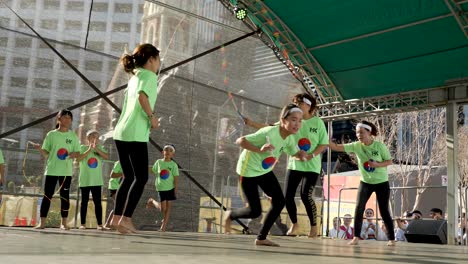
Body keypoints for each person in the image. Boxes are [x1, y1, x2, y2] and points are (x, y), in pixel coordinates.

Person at [245, 93, 328, 238]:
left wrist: (311, 155)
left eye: (299, 103)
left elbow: (324, 143)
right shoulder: (291, 119)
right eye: (295, 103)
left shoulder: (318, 122)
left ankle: (314, 227)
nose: (296, 105)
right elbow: (270, 127)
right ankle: (295, 224)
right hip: (294, 164)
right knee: (288, 196)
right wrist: (251, 123)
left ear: (308, 105)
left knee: (305, 196)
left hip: (312, 166)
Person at [224, 104, 306, 247]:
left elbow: (294, 152)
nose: (297, 124)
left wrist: (303, 155)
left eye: (300, 120)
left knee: (280, 201)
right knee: (254, 212)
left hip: (264, 171)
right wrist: (259, 150)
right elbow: (240, 140)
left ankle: (261, 238)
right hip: (248, 171)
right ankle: (231, 215)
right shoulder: (268, 132)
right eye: (293, 119)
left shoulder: (289, 138)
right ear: (283, 120)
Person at [111, 43, 161, 234]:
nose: (158, 65)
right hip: (135, 133)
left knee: (129, 176)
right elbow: (142, 98)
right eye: (158, 60)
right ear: (151, 60)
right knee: (141, 178)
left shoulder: (134, 76)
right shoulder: (149, 76)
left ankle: (116, 219)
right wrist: (152, 117)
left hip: (121, 132)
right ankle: (126, 219)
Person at [329, 120, 396, 246]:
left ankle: (392, 239)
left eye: (361, 132)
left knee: (384, 210)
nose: (358, 135)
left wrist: (377, 164)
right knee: (359, 208)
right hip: (365, 182)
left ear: (369, 132)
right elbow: (337, 147)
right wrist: (325, 141)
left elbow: (389, 161)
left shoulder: (379, 146)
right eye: (357, 133)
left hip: (381, 182)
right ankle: (356, 237)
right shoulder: (356, 145)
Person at [33, 109, 80, 230]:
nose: (68, 119)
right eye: (65, 117)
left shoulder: (73, 135)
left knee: (65, 197)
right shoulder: (51, 135)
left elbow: (77, 153)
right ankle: (42, 222)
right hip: (52, 170)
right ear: (58, 119)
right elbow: (46, 153)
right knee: (47, 196)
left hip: (66, 172)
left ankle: (64, 223)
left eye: (70, 117)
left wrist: (71, 155)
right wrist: (39, 149)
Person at [76, 130, 109, 230]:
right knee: (84, 202)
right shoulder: (82, 147)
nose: (96, 139)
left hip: (96, 181)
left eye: (97, 137)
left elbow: (106, 156)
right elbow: (78, 159)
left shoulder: (99, 148)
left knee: (98, 203)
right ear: (88, 138)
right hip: (85, 180)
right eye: (93, 136)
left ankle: (100, 225)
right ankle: (82, 224)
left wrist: (96, 149)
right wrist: (89, 150)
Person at [146, 144, 179, 232]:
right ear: (162, 152)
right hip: (161, 188)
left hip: (170, 188)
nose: (168, 152)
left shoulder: (174, 165)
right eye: (166, 150)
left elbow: (176, 178)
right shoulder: (158, 162)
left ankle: (163, 226)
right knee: (163, 209)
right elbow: (153, 170)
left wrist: (175, 189)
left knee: (168, 207)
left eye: (170, 150)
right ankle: (152, 201)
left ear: (173, 154)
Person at [103, 161, 123, 230]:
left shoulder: (131, 163)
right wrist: (123, 174)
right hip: (114, 187)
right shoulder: (119, 163)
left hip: (121, 187)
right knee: (118, 206)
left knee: (120, 206)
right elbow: (112, 175)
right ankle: (108, 224)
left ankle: (110, 224)